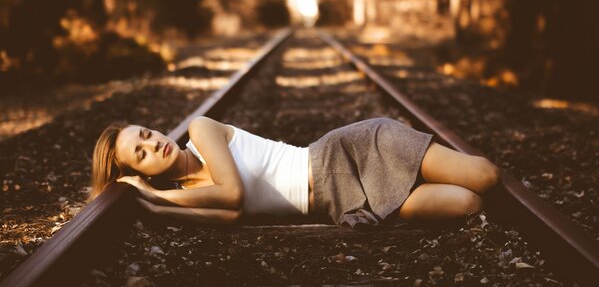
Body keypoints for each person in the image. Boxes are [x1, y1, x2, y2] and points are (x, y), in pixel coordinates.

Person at [90, 116, 501, 228]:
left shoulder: (200, 130)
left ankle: (420, 161)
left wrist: (158, 196)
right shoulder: (189, 193)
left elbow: (232, 194)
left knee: (486, 178)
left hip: (350, 150)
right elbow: (232, 217)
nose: (153, 144)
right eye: (140, 154)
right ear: (138, 172)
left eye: (145, 134)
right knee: (468, 202)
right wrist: (159, 211)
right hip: (342, 202)